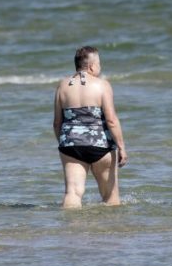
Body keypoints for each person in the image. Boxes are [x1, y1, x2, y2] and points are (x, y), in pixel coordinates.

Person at [53, 46, 128, 208]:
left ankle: (70, 229)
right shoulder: (102, 85)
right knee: (110, 196)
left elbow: (57, 123)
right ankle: (108, 230)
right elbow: (112, 121)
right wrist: (122, 147)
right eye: (99, 63)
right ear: (92, 66)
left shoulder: (63, 86)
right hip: (100, 146)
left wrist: (67, 142)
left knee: (73, 192)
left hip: (71, 145)